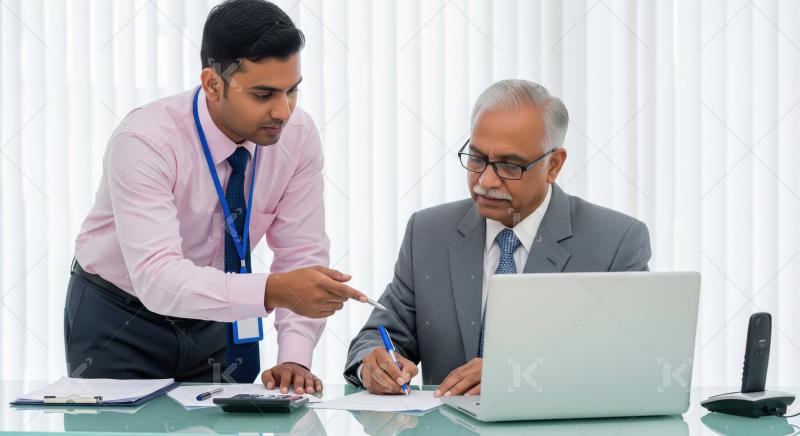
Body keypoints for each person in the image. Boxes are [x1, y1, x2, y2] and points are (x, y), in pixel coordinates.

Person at [65, 0, 366, 394]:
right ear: (212, 84)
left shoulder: (299, 137)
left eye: (292, 91)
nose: (284, 112)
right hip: (121, 314)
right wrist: (272, 290)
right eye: (263, 94)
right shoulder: (144, 141)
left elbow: (302, 253)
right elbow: (157, 278)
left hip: (219, 309)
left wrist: (294, 355)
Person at [344, 79, 651, 396]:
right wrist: (372, 364)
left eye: (509, 165)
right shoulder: (427, 232)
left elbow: (634, 365)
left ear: (553, 165)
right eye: (477, 159)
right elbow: (379, 336)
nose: (486, 181)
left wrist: (514, 373)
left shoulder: (616, 242)